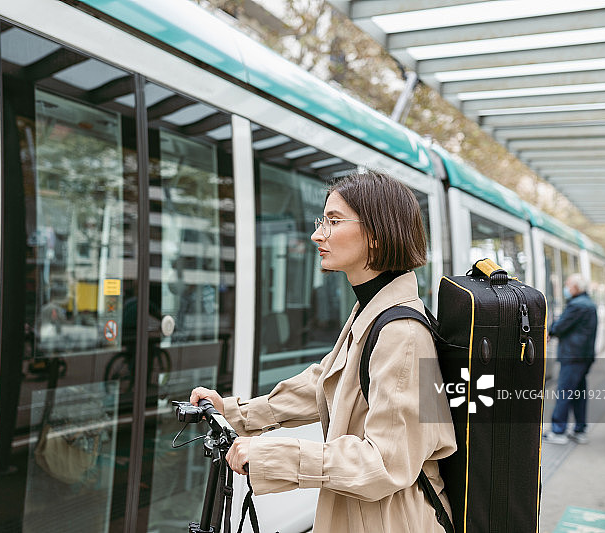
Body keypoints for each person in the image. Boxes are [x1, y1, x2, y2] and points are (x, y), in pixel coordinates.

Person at [191, 170, 456, 532]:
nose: (318, 234)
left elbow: (384, 463)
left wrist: (273, 456)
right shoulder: (373, 310)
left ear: (376, 235)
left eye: (333, 221)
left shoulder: (403, 333)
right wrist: (238, 412)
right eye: (322, 221)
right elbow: (329, 380)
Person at [545, 274, 598, 445]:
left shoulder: (577, 305)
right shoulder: (588, 303)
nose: (566, 288)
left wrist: (550, 332)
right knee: (579, 394)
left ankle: (558, 431)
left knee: (564, 392)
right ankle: (580, 430)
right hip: (584, 356)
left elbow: (561, 326)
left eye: (568, 285)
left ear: (576, 287)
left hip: (573, 356)